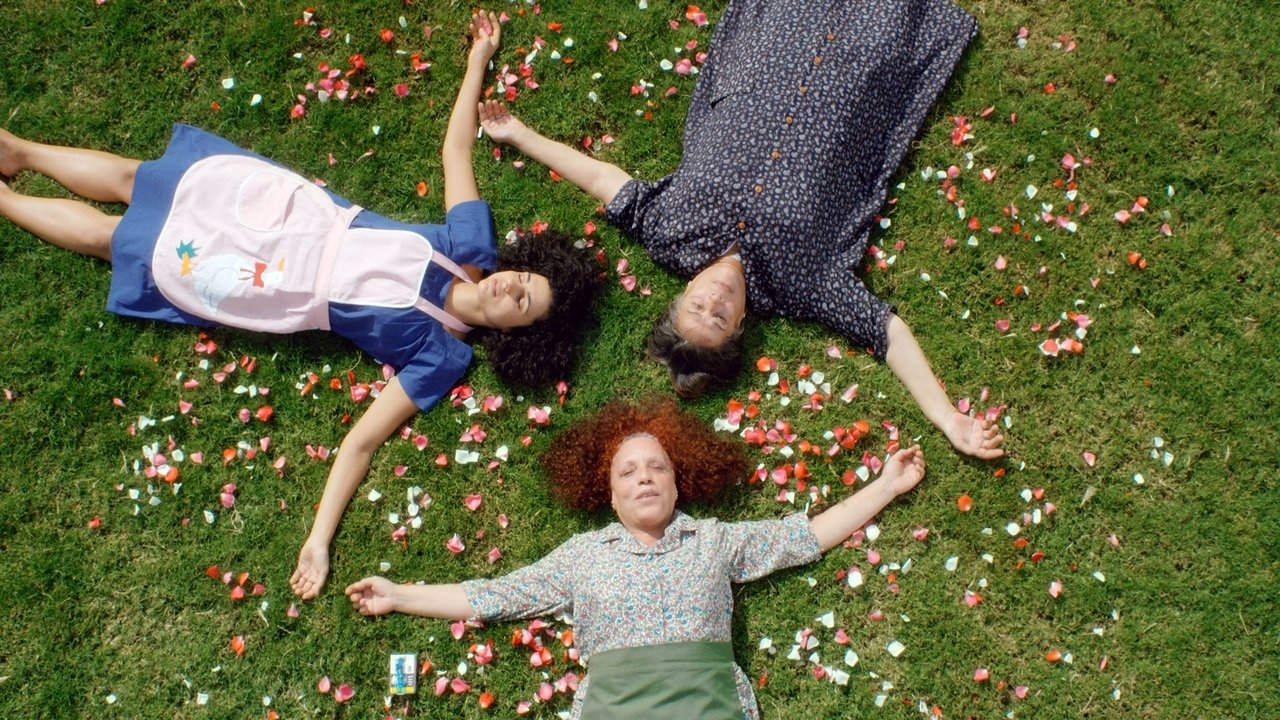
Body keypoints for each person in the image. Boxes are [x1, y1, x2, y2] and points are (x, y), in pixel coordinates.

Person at [0, 12, 601, 600]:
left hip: (273, 282)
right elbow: (455, 152)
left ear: (518, 334)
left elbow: (362, 442)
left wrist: (318, 541)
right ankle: (18, 150)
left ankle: (5, 201)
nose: (509, 287)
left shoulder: (441, 355)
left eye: (522, 302)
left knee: (121, 242)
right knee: (144, 180)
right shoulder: (468, 244)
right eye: (522, 276)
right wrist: (477, 61)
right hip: (294, 218)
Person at [476, 0, 1003, 459]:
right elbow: (884, 332)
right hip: (858, 65)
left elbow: (601, 179)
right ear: (740, 324)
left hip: (778, 43)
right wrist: (947, 418)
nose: (715, 300)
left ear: (682, 295)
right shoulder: (802, 285)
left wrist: (520, 135)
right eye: (720, 317)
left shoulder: (670, 233)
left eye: (697, 307)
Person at [345, 399, 928, 719]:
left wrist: (885, 487)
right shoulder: (583, 555)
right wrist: (398, 595)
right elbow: (496, 596)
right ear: (611, 493)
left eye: (657, 468)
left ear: (679, 485)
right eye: (629, 471)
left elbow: (806, 536)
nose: (644, 477)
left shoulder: (716, 540)